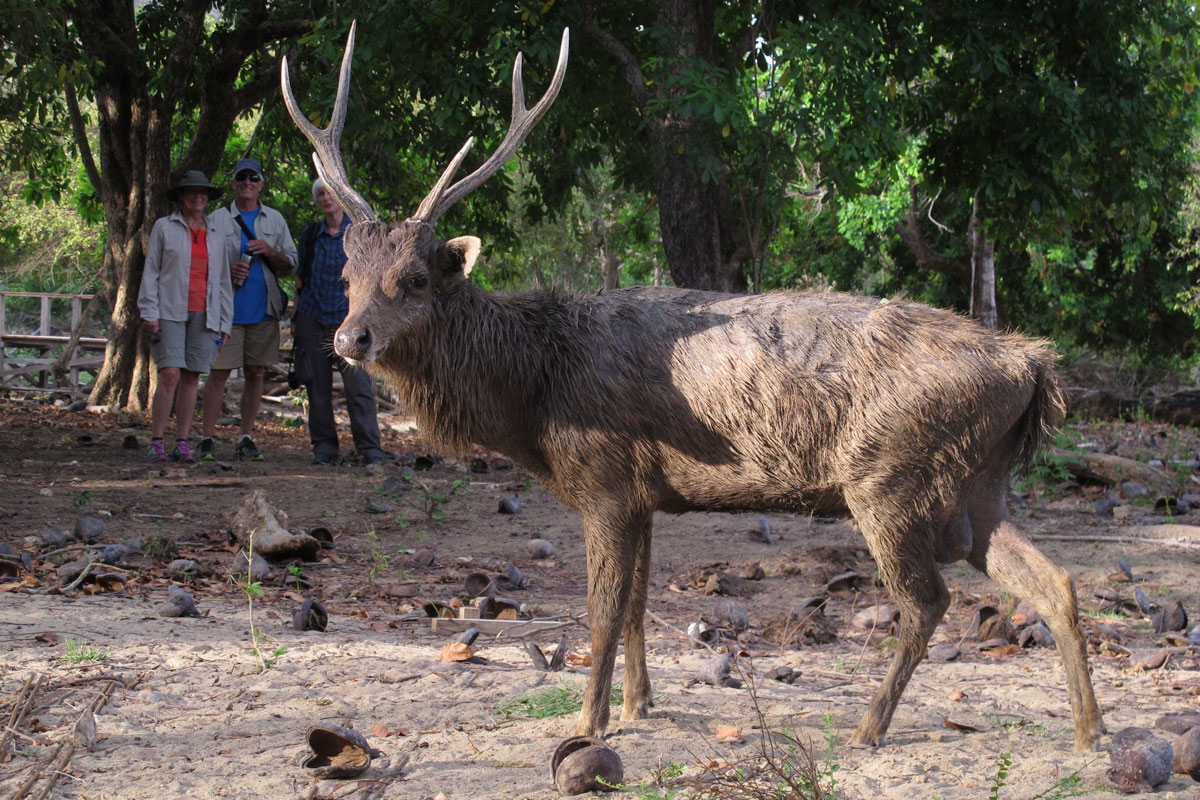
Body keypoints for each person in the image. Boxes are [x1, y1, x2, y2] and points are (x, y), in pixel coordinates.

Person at [199, 157, 297, 461]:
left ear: (261, 184)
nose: (247, 183)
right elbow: (201, 264)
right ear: (233, 183)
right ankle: (206, 439)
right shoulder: (215, 219)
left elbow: (291, 265)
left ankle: (246, 435)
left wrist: (269, 250)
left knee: (256, 372)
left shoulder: (275, 220)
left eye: (253, 178)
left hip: (263, 310)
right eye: (241, 178)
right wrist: (228, 271)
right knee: (218, 374)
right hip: (225, 311)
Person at [137, 170, 233, 463]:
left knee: (192, 378)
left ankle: (181, 442)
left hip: (205, 314)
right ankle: (156, 441)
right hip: (169, 311)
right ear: (180, 196)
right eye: (192, 192)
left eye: (203, 192)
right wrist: (149, 311)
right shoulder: (164, 227)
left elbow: (223, 281)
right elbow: (151, 270)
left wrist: (224, 320)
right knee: (170, 374)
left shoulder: (216, 234)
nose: (198, 197)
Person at [293, 178, 385, 471]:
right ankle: (324, 449)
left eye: (329, 192)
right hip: (313, 316)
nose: (325, 197)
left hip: (350, 323)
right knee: (316, 387)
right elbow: (300, 280)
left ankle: (370, 451)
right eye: (320, 193)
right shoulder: (311, 235)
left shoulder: (360, 236)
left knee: (358, 388)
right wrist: (296, 319)